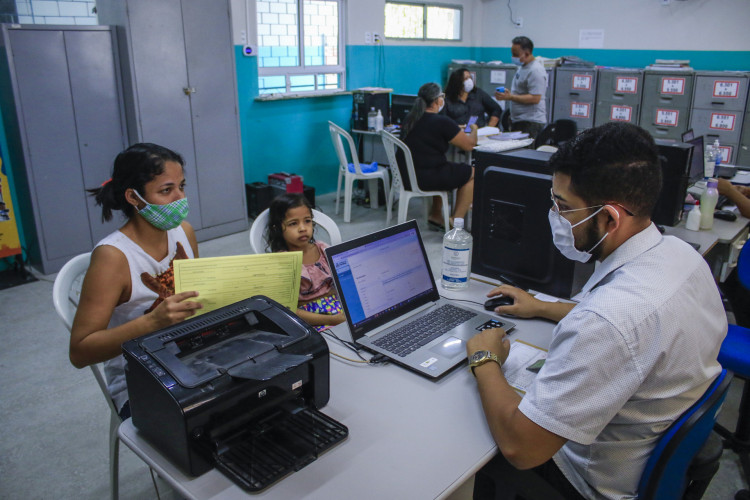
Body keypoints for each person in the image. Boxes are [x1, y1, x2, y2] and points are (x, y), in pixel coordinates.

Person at [466, 122, 727, 499]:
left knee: (471, 450)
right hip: (644, 441)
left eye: (564, 206)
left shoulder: (608, 322)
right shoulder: (681, 255)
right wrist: (543, 307)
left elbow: (521, 449)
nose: (554, 215)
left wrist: (485, 358)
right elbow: (634, 327)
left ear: (609, 218)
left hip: (587, 482)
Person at [69, 143, 202, 420]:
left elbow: (198, 295)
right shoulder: (112, 257)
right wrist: (153, 323)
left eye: (182, 186)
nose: (180, 198)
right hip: (140, 377)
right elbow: (80, 351)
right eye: (167, 190)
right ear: (134, 197)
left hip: (193, 353)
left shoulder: (184, 233)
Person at [399, 82, 477, 230]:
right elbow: (469, 145)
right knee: (472, 173)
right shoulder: (441, 122)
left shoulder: (410, 119)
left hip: (408, 177)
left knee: (444, 168)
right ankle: (456, 220)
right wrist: (474, 129)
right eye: (442, 96)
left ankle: (436, 215)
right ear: (437, 101)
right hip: (427, 177)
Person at [265, 193, 346, 330]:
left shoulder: (322, 249)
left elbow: (342, 282)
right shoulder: (283, 263)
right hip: (307, 321)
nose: (303, 228)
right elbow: (288, 310)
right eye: (293, 223)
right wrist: (332, 320)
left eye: (307, 221)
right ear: (277, 228)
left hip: (338, 310)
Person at [494, 36, 547, 139]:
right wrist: (509, 94)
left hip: (530, 122)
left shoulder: (535, 70)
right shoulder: (523, 67)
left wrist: (511, 97)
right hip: (519, 120)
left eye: (516, 54)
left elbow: (535, 98)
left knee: (524, 153)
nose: (513, 57)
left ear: (527, 53)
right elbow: (521, 92)